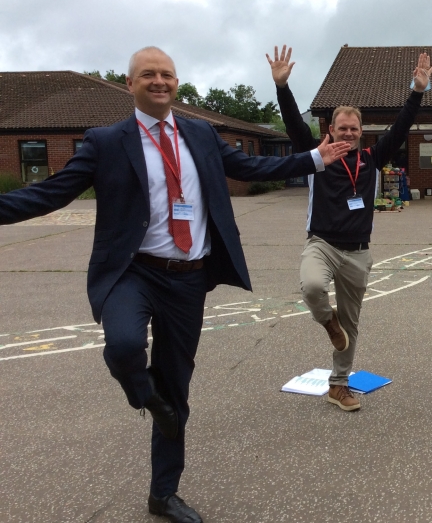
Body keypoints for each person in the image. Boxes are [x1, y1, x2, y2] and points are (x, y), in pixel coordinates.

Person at [0, 47, 350, 522]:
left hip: (188, 280)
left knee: (177, 389)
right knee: (124, 347)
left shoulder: (201, 133)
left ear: (176, 83)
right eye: (148, 75)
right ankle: (145, 395)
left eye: (166, 74)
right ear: (131, 84)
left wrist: (314, 158)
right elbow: (50, 193)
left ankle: (163, 494)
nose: (159, 81)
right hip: (134, 272)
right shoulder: (105, 142)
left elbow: (249, 168)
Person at [266, 45, 432, 411]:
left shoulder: (373, 158)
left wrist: (417, 90)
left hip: (358, 251)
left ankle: (339, 386)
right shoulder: (319, 156)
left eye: (354, 128)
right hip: (322, 245)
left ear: (362, 131)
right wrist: (282, 87)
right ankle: (327, 321)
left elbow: (402, 125)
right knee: (311, 287)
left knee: (352, 323)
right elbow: (295, 125)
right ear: (331, 129)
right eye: (342, 128)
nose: (348, 133)